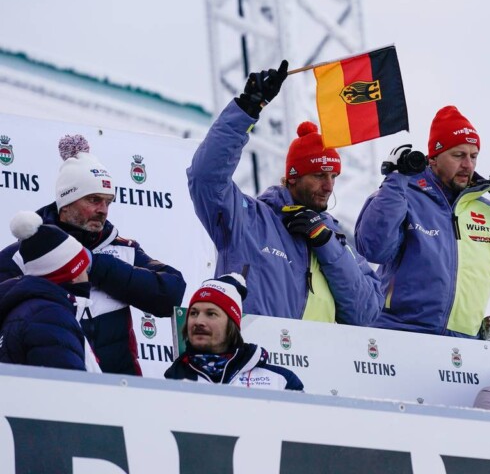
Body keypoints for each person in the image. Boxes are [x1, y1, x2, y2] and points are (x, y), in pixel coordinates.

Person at [187, 61, 383, 325]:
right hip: (255, 360)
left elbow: (366, 314)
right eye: (318, 175)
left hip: (322, 363)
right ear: (292, 177)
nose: (329, 186)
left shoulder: (335, 240)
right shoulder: (248, 220)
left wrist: (325, 244)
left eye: (333, 176)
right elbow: (205, 178)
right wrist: (246, 110)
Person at [0, 135, 186, 375]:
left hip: (120, 391)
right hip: (47, 390)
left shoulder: (124, 250)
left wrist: (93, 265)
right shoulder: (25, 253)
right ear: (66, 202)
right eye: (94, 200)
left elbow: (171, 293)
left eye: (108, 202)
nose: (103, 210)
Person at [354, 105, 490, 338]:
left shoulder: (488, 212)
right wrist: (394, 180)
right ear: (433, 158)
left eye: (473, 156)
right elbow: (374, 249)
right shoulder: (402, 196)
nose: (468, 165)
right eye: (458, 155)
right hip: (398, 335)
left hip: (462, 345)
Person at [165, 273, 303, 390]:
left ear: (232, 323)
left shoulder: (280, 381)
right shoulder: (172, 380)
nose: (198, 321)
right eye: (194, 313)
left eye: (211, 314)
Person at [0, 211, 100, 372]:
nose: (87, 275)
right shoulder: (50, 316)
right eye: (84, 268)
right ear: (72, 275)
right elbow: (68, 389)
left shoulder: (30, 310)